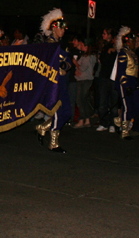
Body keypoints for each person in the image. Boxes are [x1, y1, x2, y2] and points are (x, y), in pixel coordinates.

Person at [35, 8, 71, 153]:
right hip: (53, 81)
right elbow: (46, 63)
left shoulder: (62, 44)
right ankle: (53, 142)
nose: (63, 31)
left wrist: (64, 64)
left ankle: (43, 127)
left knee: (67, 112)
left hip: (62, 80)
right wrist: (59, 64)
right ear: (54, 28)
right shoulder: (48, 45)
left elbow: (68, 62)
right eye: (60, 28)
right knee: (57, 110)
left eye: (64, 28)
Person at [112, 26, 139, 139]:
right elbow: (121, 72)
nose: (135, 43)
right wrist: (125, 85)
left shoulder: (133, 53)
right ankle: (124, 131)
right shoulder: (123, 53)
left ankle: (119, 121)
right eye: (134, 41)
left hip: (133, 81)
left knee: (137, 105)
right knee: (127, 106)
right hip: (126, 82)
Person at [95, 28, 118, 133]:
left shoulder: (116, 47)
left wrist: (114, 51)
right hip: (104, 77)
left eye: (104, 33)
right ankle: (104, 122)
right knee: (102, 102)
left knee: (113, 102)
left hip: (113, 78)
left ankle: (113, 123)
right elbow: (102, 61)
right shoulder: (104, 47)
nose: (103, 35)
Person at [72, 38, 96, 128]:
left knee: (80, 100)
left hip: (84, 80)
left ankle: (82, 119)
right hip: (84, 79)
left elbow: (82, 68)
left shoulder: (87, 57)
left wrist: (76, 64)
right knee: (84, 100)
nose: (80, 47)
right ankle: (87, 119)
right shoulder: (89, 56)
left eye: (82, 45)